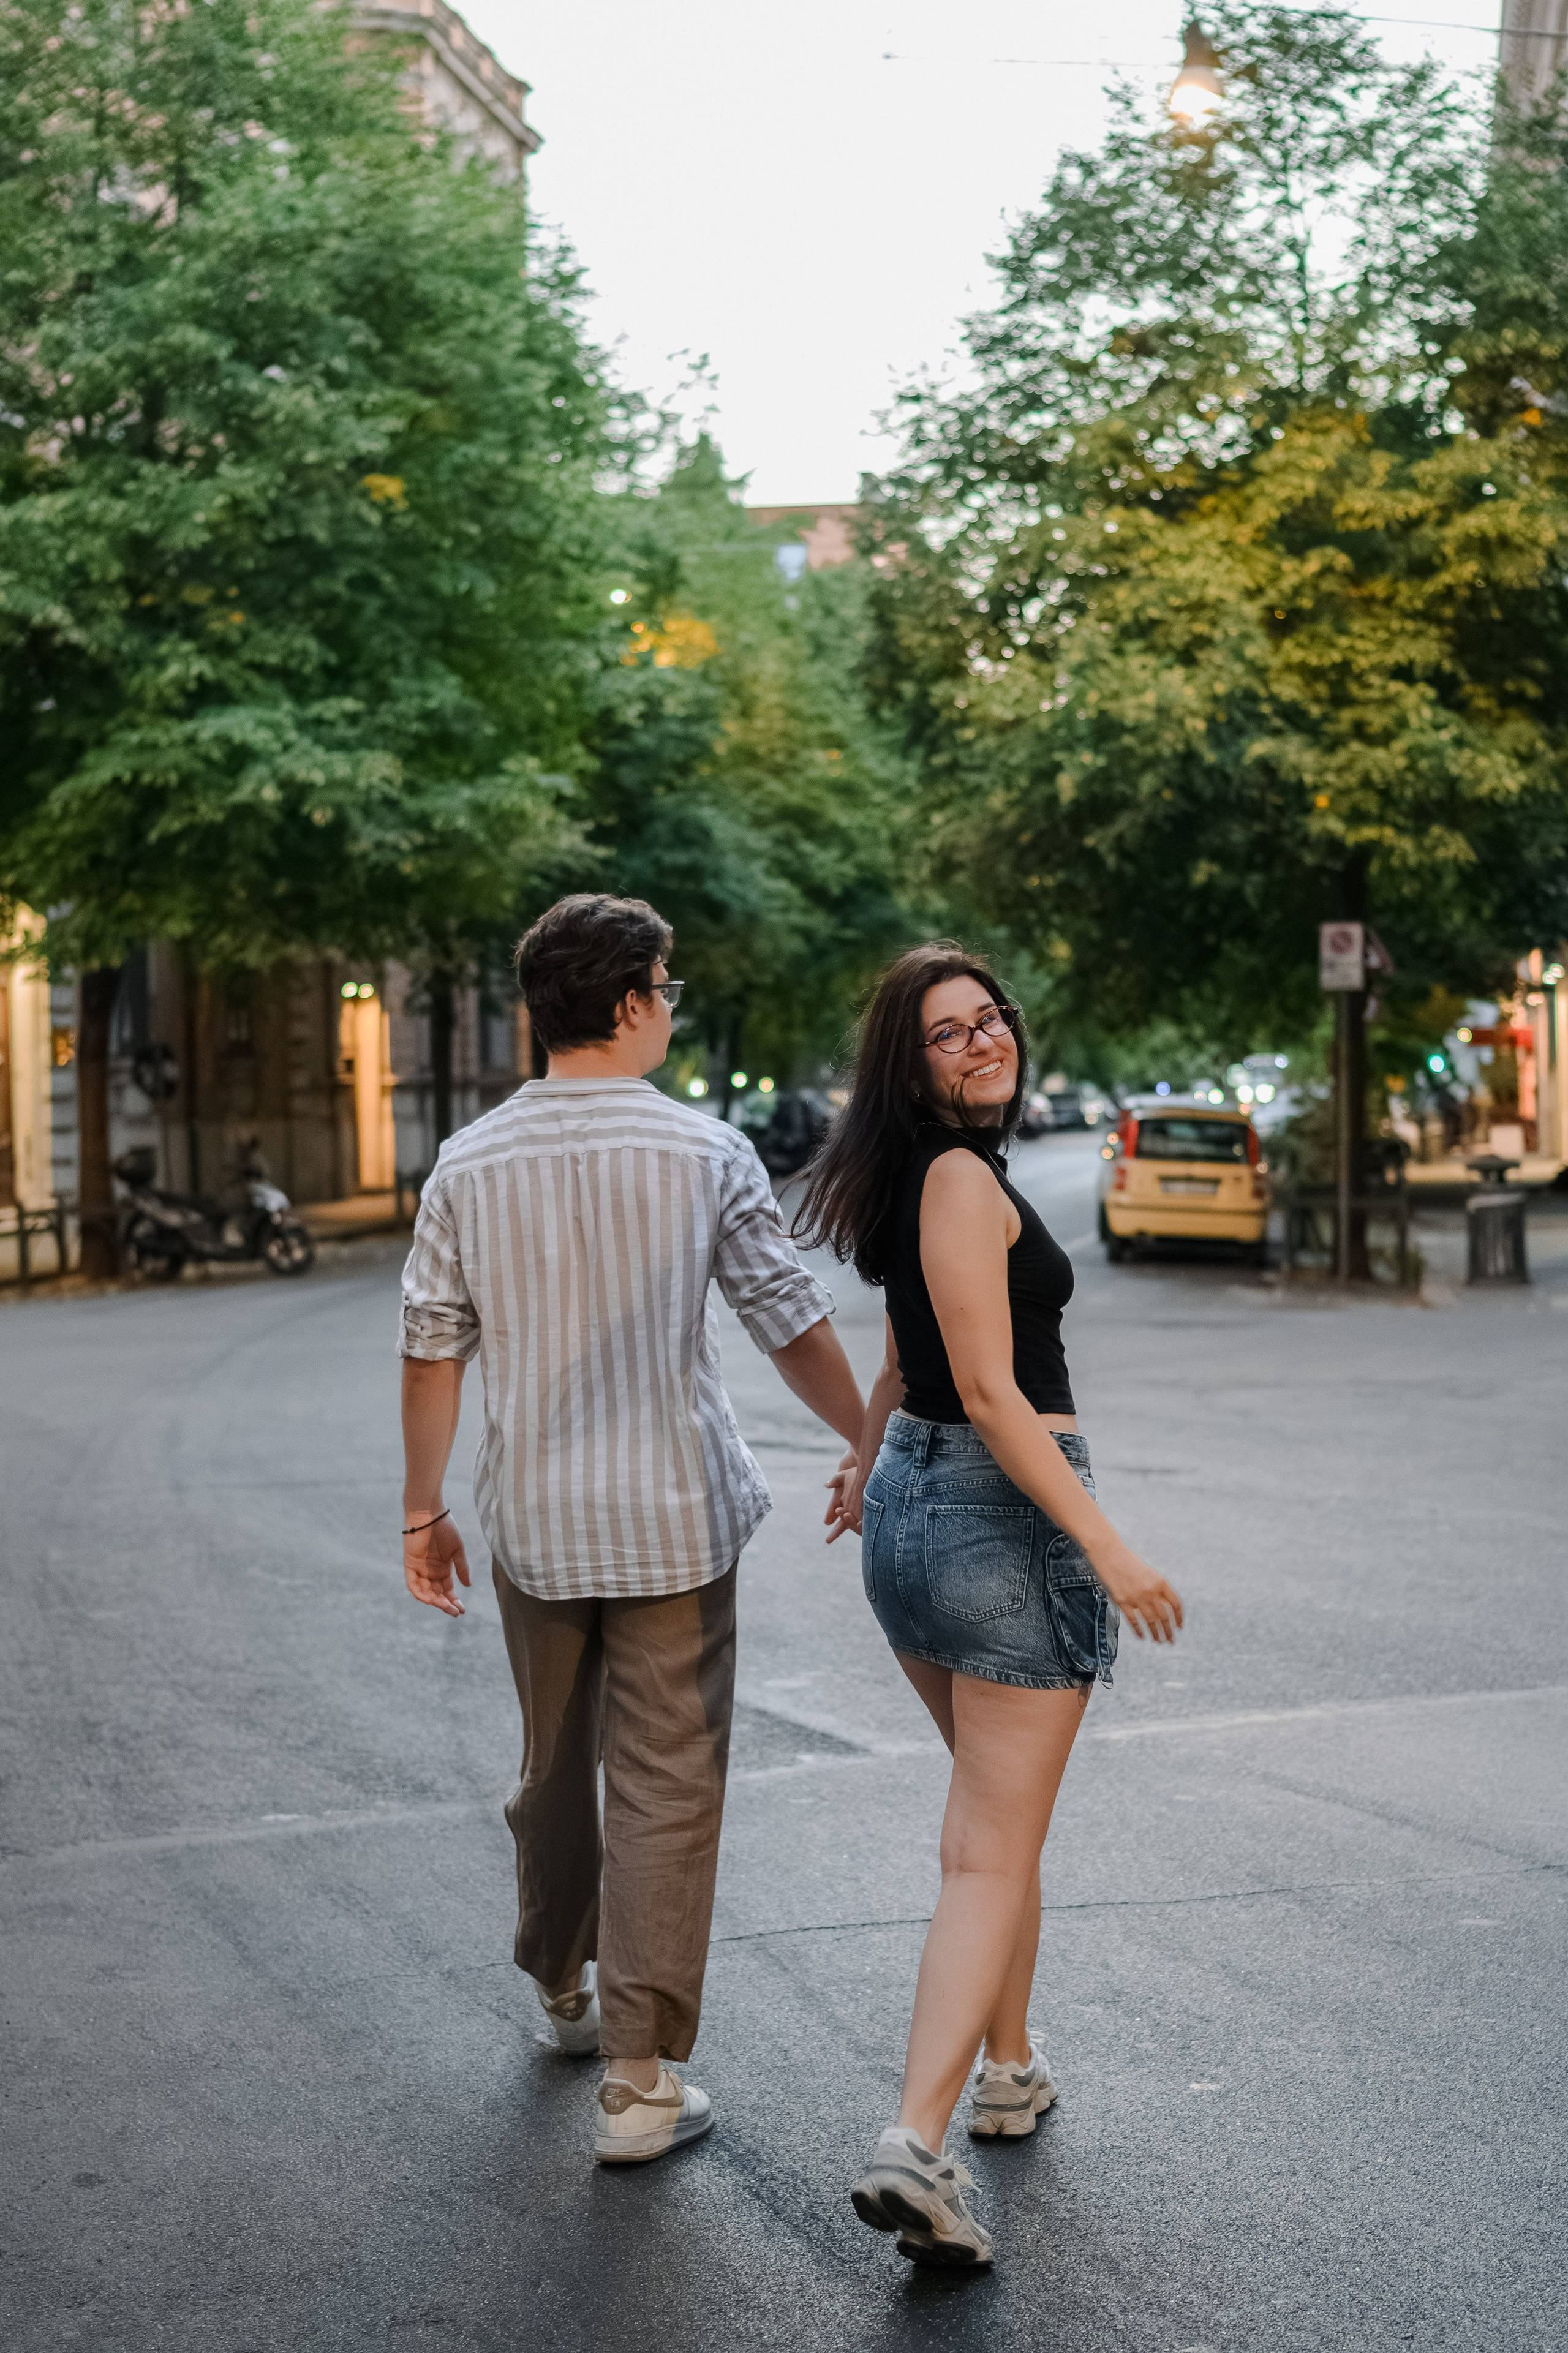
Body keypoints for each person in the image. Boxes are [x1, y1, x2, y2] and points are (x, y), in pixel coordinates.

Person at [398, 894, 864, 2164]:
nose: (670, 1004)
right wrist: (864, 1435)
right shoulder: (705, 1151)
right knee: (666, 1780)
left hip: (536, 1522)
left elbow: (432, 1347)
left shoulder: (467, 1161)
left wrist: (423, 1508)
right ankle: (638, 2084)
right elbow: (786, 1316)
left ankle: (563, 1985)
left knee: (555, 1761)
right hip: (673, 1520)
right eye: (665, 984)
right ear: (625, 1001)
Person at [796, 944, 1183, 2271]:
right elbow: (987, 1388)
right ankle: (914, 2142)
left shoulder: (920, 1173)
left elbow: (902, 1356)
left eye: (989, 1018)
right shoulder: (960, 1177)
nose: (982, 1041)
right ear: (907, 1068)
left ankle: (1009, 2067)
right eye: (948, 1033)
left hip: (913, 1509)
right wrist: (1105, 1545)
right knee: (986, 1851)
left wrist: (861, 1459)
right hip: (999, 1518)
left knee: (990, 1829)